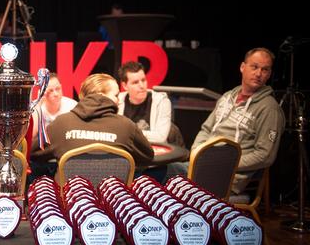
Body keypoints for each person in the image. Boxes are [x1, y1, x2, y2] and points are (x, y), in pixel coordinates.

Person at [167, 48, 285, 196]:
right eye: (254, 67)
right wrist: (196, 154)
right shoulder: (228, 96)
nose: (259, 73)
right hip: (204, 166)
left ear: (269, 74)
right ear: (243, 67)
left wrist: (223, 164)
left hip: (227, 177)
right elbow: (206, 129)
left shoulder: (269, 108)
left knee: (163, 176)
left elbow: (265, 156)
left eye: (265, 69)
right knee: (156, 172)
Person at [34, 73, 154, 168]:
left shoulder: (60, 125)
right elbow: (147, 156)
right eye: (116, 95)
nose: (119, 100)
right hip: (114, 196)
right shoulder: (127, 126)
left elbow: (32, 152)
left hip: (71, 196)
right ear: (102, 95)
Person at [117, 61, 174, 144]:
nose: (142, 86)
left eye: (143, 80)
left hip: (153, 151)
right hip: (125, 150)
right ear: (125, 86)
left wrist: (126, 133)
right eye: (135, 82)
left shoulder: (162, 101)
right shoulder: (117, 101)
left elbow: (160, 137)